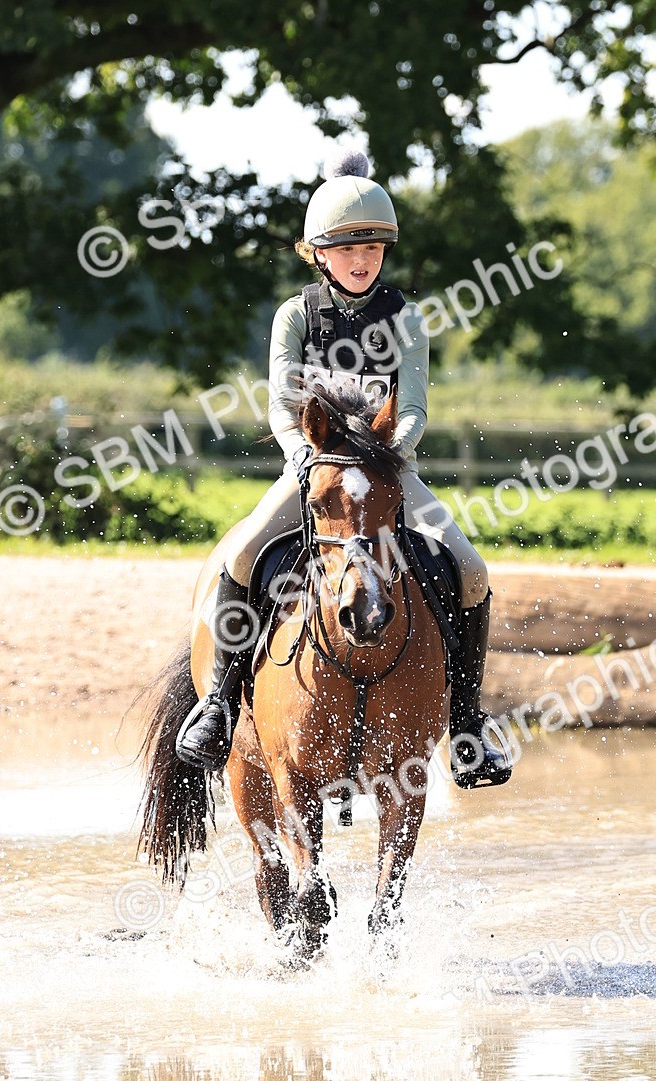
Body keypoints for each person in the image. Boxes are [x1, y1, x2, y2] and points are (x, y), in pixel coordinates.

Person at [176, 151, 513, 788]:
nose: (363, 260)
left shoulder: (406, 319)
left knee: (470, 568)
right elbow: (281, 405)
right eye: (348, 247)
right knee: (241, 556)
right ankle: (218, 703)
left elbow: (411, 408)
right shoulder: (296, 316)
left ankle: (466, 725)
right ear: (318, 252)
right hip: (315, 469)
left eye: (375, 249)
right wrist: (306, 458)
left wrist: (384, 458)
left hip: (385, 472)